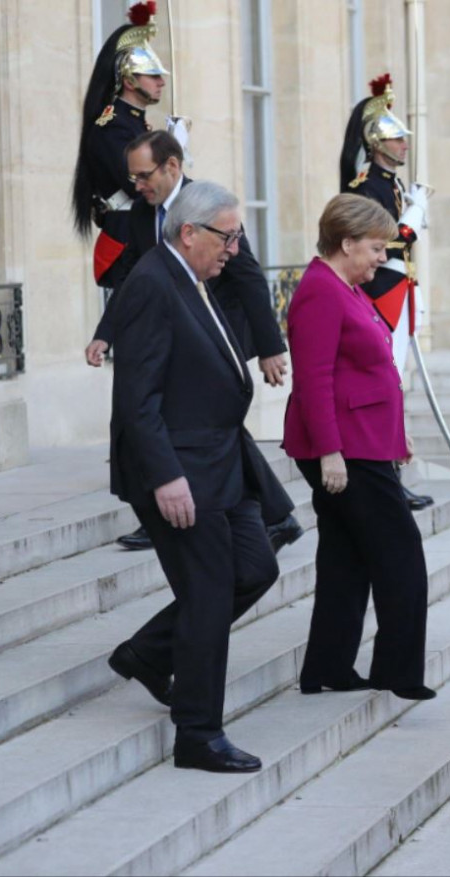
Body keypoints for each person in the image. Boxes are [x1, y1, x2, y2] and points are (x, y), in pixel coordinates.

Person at [106, 182, 279, 773]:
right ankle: (198, 734)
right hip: (181, 472)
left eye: (238, 236)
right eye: (227, 237)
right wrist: (165, 477)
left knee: (256, 569)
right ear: (189, 232)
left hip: (221, 463)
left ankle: (149, 654)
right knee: (207, 595)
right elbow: (137, 398)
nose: (235, 248)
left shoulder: (193, 278)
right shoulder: (153, 285)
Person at [85, 130, 302, 554]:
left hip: (210, 335)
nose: (137, 186)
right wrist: (105, 332)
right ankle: (269, 514)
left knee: (209, 424)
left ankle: (262, 513)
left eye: (144, 176)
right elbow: (131, 277)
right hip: (172, 334)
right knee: (202, 425)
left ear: (172, 167)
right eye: (133, 179)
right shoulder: (140, 214)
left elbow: (248, 275)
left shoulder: (209, 208)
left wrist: (271, 347)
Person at [283, 193, 433, 702]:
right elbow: (315, 379)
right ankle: (397, 671)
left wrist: (398, 431)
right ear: (346, 243)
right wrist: (329, 452)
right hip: (344, 449)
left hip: (364, 441)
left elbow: (370, 370)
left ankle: (328, 668)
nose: (381, 258)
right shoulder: (321, 291)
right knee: (401, 555)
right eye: (374, 248)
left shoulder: (343, 285)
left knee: (347, 558)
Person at [339, 73, 433, 512]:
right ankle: (389, 472)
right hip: (381, 294)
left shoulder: (389, 185)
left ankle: (395, 467)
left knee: (396, 381)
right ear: (377, 143)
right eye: (397, 139)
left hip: (399, 291)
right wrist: (412, 218)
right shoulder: (367, 187)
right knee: (386, 380)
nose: (404, 145)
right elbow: (386, 240)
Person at [71, 1, 167, 293]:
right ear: (128, 79)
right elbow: (139, 186)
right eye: (153, 75)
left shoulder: (136, 125)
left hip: (146, 235)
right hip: (127, 240)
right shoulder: (110, 128)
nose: (161, 82)